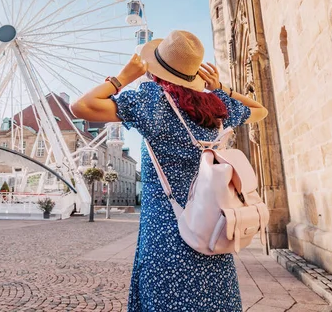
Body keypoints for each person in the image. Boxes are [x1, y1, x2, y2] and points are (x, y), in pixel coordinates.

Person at [70, 30, 268, 311]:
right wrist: (221, 88)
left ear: (157, 71)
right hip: (211, 229)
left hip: (165, 233)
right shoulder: (216, 106)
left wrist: (122, 79)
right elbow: (260, 110)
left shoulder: (153, 102)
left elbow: (81, 106)